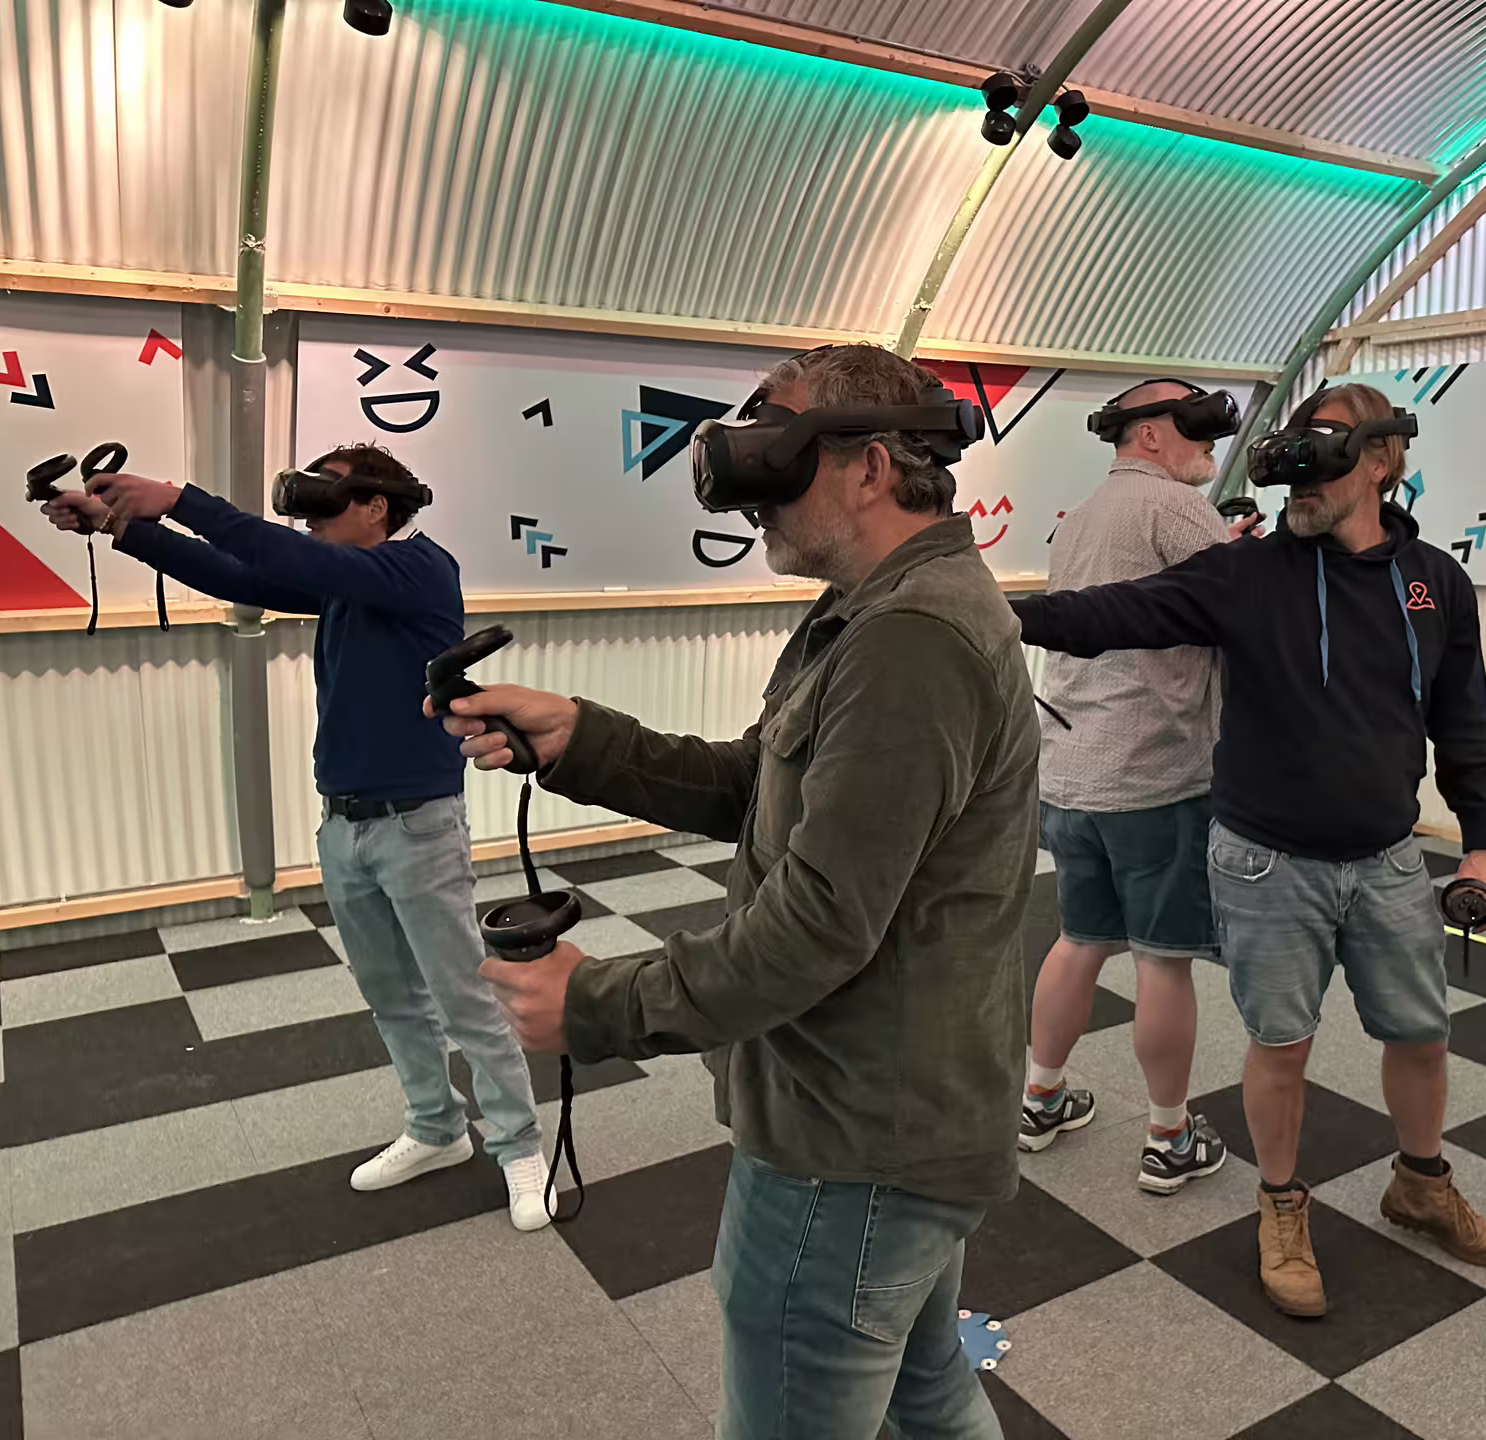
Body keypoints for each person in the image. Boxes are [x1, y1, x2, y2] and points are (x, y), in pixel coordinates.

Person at [435, 343, 1037, 1439]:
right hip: (896, 1117)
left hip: (852, 1148)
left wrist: (596, 1005)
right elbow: (764, 783)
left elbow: (818, 924)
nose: (745, 484)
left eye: (776, 449)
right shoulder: (875, 608)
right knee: (923, 1390)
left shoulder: (909, 638)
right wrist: (582, 741)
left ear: (869, 466)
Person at [1010, 382, 1486, 1319]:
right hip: (1266, 861)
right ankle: (1282, 1209)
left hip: (1388, 859)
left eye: (1320, 457)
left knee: (1421, 1035)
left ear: (1379, 462)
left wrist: (1482, 843)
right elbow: (1114, 613)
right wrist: (1000, 612)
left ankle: (1421, 1184)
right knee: (1280, 1047)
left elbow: (1464, 721)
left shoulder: (1435, 583)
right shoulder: (1247, 573)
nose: (1297, 486)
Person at [41, 447, 556, 1232]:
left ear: (378, 508)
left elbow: (271, 549)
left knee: (461, 996)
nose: (311, 526)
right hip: (344, 826)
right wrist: (125, 526)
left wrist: (176, 496)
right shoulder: (346, 585)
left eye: (326, 509)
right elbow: (240, 577)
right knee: (391, 997)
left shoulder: (419, 570)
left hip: (419, 825)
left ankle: (519, 1146)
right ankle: (436, 1127)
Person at [1020, 380, 1252, 1193]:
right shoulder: (1179, 510)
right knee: (1162, 961)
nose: (1207, 446)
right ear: (1150, 436)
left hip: (1074, 774)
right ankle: (1169, 1136)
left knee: (1078, 939)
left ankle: (1039, 1098)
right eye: (1193, 429)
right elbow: (1240, 611)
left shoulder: (1080, 517)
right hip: (1155, 776)